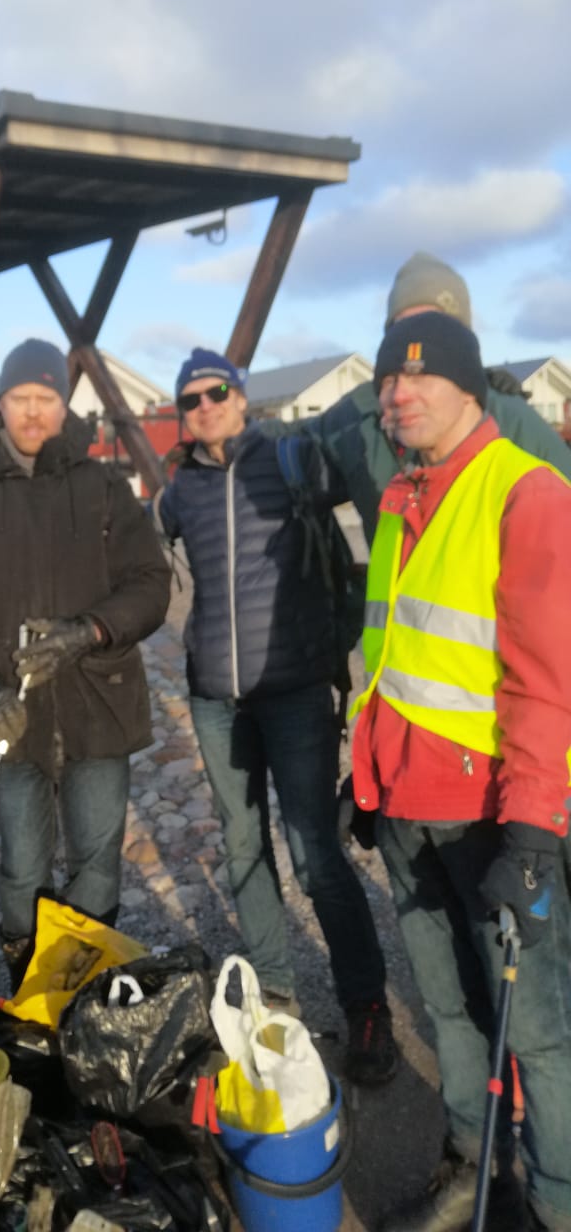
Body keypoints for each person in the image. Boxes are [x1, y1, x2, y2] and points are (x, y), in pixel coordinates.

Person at [349, 313, 571, 1232]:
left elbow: (548, 683)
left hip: (490, 812)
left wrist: (532, 835)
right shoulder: (402, 497)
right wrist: (366, 773)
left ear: (470, 388)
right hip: (407, 804)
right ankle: (481, 1174)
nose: (398, 395)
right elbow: (392, 655)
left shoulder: (528, 494)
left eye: (420, 378)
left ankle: (555, 1203)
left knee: (540, 1035)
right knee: (449, 1012)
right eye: (387, 381)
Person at [156, 348, 396, 1085]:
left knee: (315, 851)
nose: (204, 407)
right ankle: (275, 991)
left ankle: (366, 1006)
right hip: (215, 699)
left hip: (295, 692)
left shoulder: (294, 462)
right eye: (190, 399)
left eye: (216, 393)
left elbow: (378, 469)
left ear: (241, 396)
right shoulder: (178, 493)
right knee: (242, 847)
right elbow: (135, 556)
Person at [0, 337, 170, 982]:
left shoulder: (104, 485)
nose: (32, 411)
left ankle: (86, 985)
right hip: (11, 710)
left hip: (98, 702)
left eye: (45, 398)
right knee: (23, 864)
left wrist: (88, 631)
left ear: (64, 406)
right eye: (20, 398)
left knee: (97, 858)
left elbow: (150, 583)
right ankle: (28, 982)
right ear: (1, 405)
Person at [289, 252, 571, 542]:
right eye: (403, 328)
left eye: (433, 326)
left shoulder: (516, 422)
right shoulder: (359, 413)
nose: (416, 338)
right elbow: (289, 439)